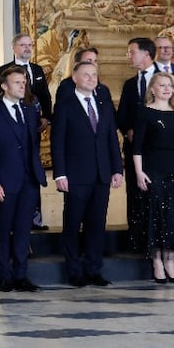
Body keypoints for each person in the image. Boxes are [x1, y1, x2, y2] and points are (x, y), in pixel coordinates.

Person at [52, 60, 123, 287]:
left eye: (94, 75)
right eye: (86, 75)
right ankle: (74, 272)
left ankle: (94, 269)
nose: (92, 79)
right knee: (73, 225)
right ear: (75, 78)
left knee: (96, 225)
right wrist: (59, 174)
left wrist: (117, 169)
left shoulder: (103, 103)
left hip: (102, 175)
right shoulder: (65, 105)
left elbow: (111, 138)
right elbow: (58, 143)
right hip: (75, 176)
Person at [0, 65, 48, 292]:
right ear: (4, 86)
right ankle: (4, 276)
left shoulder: (30, 111)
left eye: (24, 82)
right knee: (4, 231)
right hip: (4, 182)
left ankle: (21, 275)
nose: (23, 86)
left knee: (23, 230)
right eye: (18, 82)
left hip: (29, 181)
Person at [130, 72, 174, 284]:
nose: (166, 89)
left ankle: (170, 262)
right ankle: (157, 261)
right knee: (157, 217)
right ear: (152, 89)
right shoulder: (144, 112)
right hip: (153, 170)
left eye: (170, 85)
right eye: (162, 85)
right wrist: (139, 172)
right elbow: (137, 145)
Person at [117, 37, 161, 227]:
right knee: (135, 194)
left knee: (158, 195)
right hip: (134, 149)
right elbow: (121, 115)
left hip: (159, 150)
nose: (129, 55)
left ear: (146, 54)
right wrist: (128, 130)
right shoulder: (129, 84)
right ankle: (136, 239)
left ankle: (158, 242)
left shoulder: (167, 80)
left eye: (131, 51)